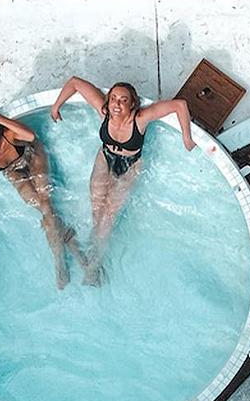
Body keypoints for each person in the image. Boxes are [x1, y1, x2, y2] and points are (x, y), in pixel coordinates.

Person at [50, 76, 196, 285]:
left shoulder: (141, 119)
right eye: (114, 99)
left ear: (133, 103)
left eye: (123, 100)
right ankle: (90, 253)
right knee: (97, 208)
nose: (117, 104)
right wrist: (56, 106)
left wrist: (186, 137)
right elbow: (75, 83)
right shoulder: (105, 112)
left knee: (109, 214)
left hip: (130, 164)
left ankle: (92, 264)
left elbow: (180, 105)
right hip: (105, 157)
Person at [0, 103, 86, 289]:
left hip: (32, 156)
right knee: (43, 208)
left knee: (46, 203)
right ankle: (79, 255)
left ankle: (59, 263)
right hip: (14, 171)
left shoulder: (8, 135)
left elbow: (31, 137)